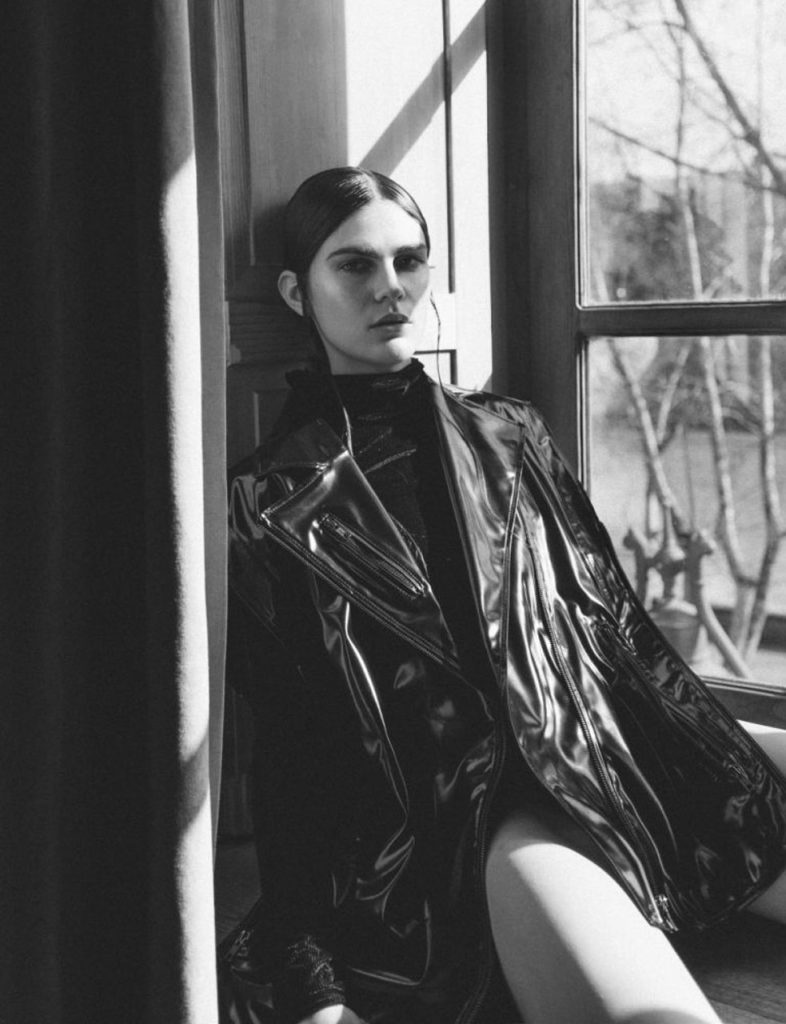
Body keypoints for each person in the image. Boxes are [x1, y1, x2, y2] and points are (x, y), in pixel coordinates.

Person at [226, 166, 786, 1024]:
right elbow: (293, 753)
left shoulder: (509, 432)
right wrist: (309, 974)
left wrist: (724, 767)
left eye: (409, 260)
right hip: (483, 819)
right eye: (356, 265)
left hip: (611, 758)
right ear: (297, 292)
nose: (391, 288)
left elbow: (615, 633)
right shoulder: (267, 501)